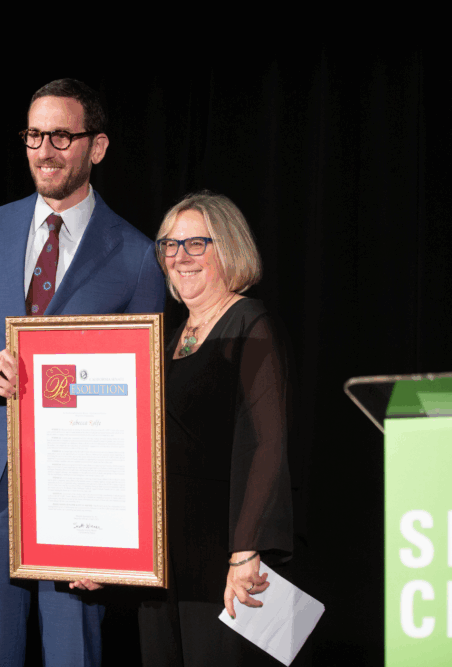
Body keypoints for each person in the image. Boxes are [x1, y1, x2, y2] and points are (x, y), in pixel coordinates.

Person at [0, 79, 165, 666]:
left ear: (96, 147)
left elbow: (146, 408)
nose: (43, 150)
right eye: (33, 134)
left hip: (81, 508)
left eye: (60, 135)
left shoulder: (135, 255)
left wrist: (117, 540)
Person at [139, 192, 294, 665]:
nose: (180, 257)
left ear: (228, 248)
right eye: (170, 244)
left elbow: (268, 444)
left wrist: (246, 548)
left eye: (196, 244)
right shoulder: (164, 339)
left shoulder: (251, 322)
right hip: (161, 566)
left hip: (221, 562)